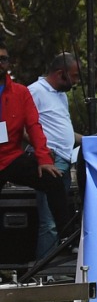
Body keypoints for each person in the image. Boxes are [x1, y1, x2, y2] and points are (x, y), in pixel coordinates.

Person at [0, 45, 72, 262]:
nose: (0, 63)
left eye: (3, 59)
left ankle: (68, 239)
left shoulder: (21, 92)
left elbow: (34, 126)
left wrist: (43, 158)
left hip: (11, 156)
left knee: (53, 179)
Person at [27, 52, 80, 259]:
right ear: (60, 73)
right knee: (48, 220)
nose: (75, 82)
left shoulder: (61, 95)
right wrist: (41, 148)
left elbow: (62, 128)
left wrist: (90, 140)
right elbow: (22, 126)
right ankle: (44, 270)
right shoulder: (35, 91)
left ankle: (56, 265)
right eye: (74, 76)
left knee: (61, 218)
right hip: (50, 158)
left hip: (66, 158)